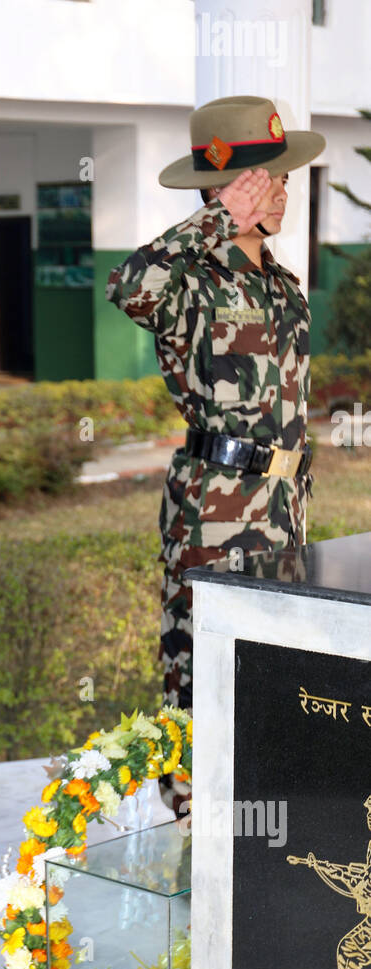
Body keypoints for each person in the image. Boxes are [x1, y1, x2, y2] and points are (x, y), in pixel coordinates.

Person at [106, 96, 324, 816]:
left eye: (284, 180)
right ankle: (191, 836)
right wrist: (214, 221)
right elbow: (128, 287)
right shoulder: (190, 276)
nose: (283, 192)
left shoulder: (283, 283)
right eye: (266, 181)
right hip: (216, 509)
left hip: (285, 507)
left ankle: (258, 839)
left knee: (273, 673)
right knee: (202, 673)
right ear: (224, 188)